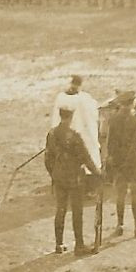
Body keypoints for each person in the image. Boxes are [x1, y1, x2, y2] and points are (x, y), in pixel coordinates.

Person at [45, 106, 99, 255]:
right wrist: (98, 173)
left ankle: (59, 244)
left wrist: (54, 174)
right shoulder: (75, 136)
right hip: (75, 179)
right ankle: (79, 245)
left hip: (59, 178)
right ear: (71, 117)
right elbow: (86, 158)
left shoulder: (52, 134)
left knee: (60, 209)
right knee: (77, 211)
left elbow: (47, 158)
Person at [105, 90, 136, 237]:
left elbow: (110, 144)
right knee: (135, 194)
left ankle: (119, 225)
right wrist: (128, 161)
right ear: (132, 102)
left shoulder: (113, 119)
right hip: (134, 163)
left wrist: (115, 161)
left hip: (118, 162)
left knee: (120, 193)